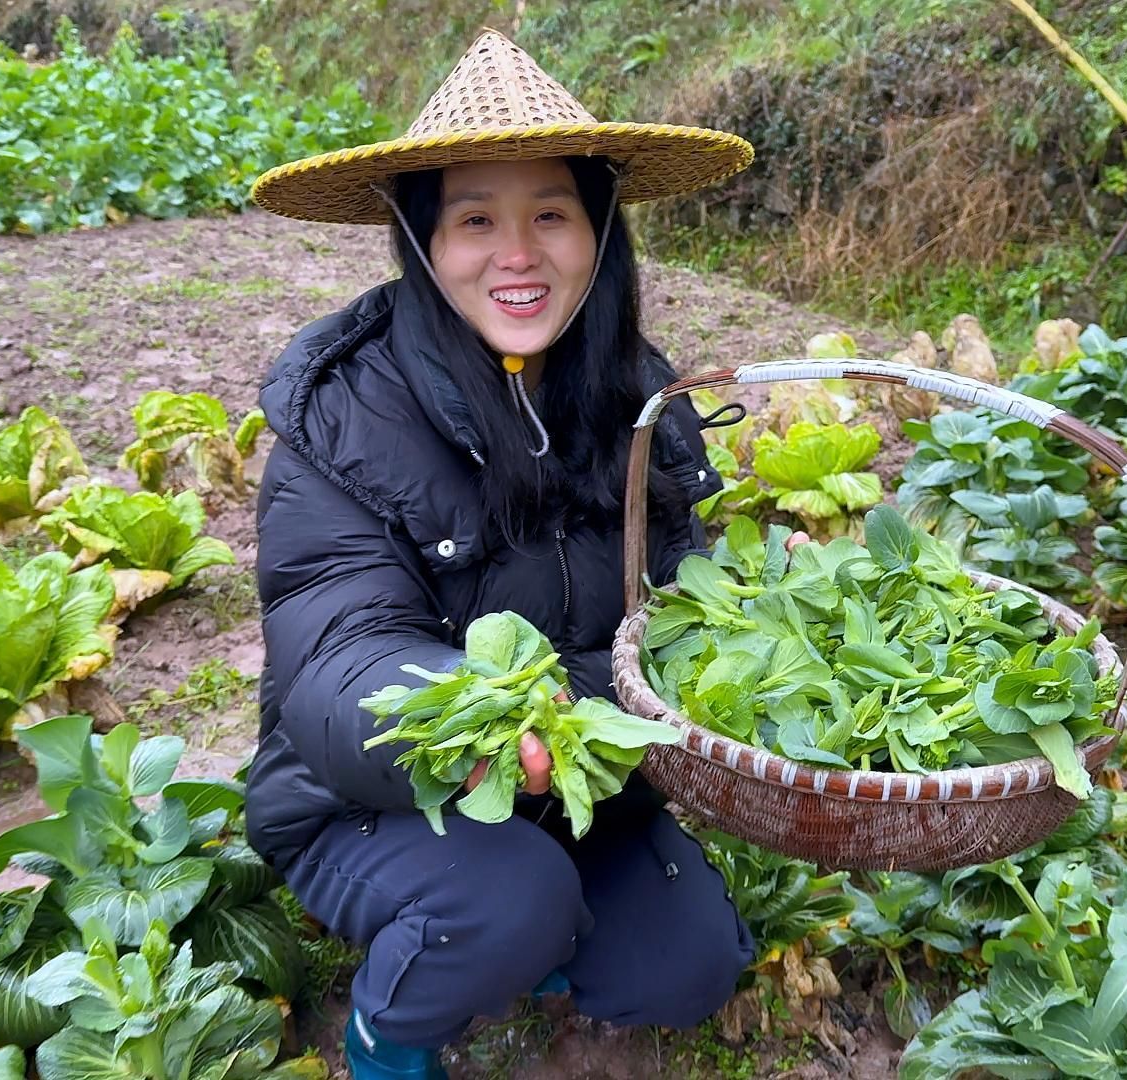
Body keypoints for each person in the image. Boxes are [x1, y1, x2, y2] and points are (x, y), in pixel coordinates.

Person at [242, 28, 762, 1080]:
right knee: (503, 900)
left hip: (582, 786)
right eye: (476, 218)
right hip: (373, 798)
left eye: (551, 215)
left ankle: (535, 936)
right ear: (423, 239)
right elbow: (341, 650)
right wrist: (474, 716)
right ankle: (394, 1034)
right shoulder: (345, 414)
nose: (517, 254)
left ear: (599, 233)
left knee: (692, 965)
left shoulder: (645, 407)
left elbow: (682, 610)